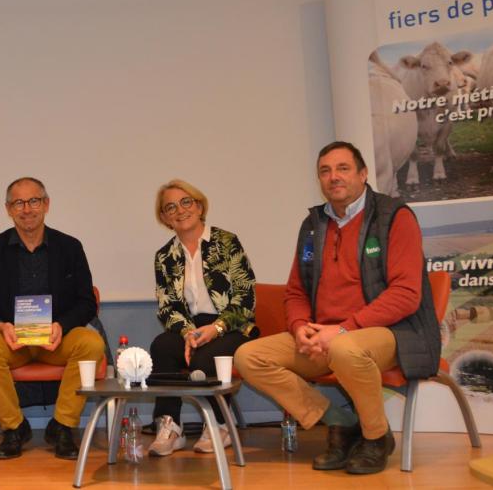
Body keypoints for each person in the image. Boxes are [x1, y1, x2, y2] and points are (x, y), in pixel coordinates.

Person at [234, 141, 441, 475]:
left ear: (363, 174)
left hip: (392, 333)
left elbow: (406, 294)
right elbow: (296, 290)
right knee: (249, 357)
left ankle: (375, 438)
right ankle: (341, 423)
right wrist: (301, 326)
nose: (333, 177)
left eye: (343, 168)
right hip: (325, 334)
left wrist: (344, 328)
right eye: (325, 171)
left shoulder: (394, 217)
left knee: (345, 348)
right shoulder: (313, 225)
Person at [0, 177, 105, 460]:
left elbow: (86, 302)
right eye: (18, 202)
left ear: (46, 204)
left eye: (34, 201)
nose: (26, 209)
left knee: (91, 343)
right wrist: (0, 326)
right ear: (8, 209)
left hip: (58, 339)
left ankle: (63, 426)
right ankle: (14, 428)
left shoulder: (70, 247)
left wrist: (61, 325)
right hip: (12, 341)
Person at [145, 179, 258, 456]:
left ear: (199, 205)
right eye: (170, 207)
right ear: (165, 217)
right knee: (161, 346)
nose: (180, 210)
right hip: (190, 329)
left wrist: (216, 328)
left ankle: (218, 425)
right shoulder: (164, 257)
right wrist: (186, 333)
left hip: (231, 327)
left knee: (208, 355)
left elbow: (246, 298)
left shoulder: (227, 241)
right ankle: (170, 426)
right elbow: (167, 307)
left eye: (186, 202)